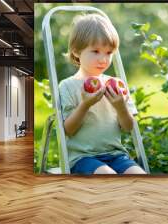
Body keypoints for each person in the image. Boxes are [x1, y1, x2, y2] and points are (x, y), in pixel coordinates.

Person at [58, 13, 146, 175]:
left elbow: (128, 127)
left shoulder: (116, 85)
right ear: (76, 52)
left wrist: (120, 107)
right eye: (96, 51)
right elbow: (68, 130)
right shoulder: (68, 86)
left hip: (116, 155)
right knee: (107, 176)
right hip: (82, 157)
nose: (103, 59)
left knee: (139, 176)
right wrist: (85, 104)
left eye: (108, 52)